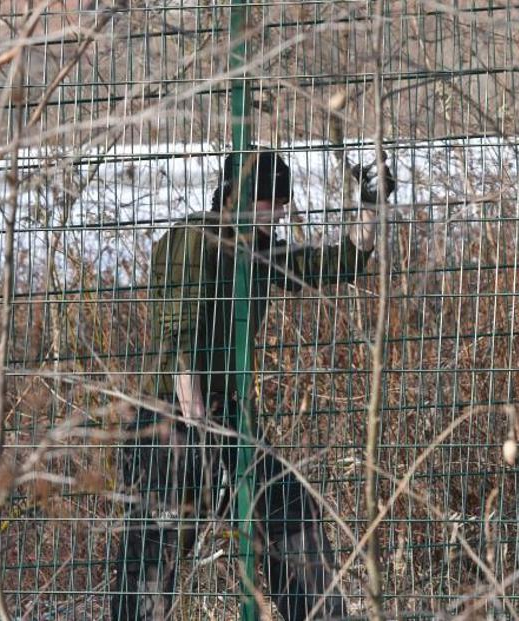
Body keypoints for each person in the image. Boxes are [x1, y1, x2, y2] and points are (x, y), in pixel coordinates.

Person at [112, 149, 394, 620]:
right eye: (271, 200)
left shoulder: (257, 248)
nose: (281, 210)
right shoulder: (195, 238)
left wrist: (371, 202)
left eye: (283, 200)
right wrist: (202, 431)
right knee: (156, 543)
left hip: (223, 418)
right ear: (238, 197)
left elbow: (338, 263)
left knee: (288, 509)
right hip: (170, 420)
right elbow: (180, 334)